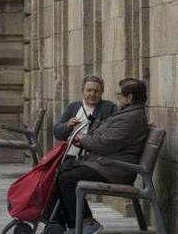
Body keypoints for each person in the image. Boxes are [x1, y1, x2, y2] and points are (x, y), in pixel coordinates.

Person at [55, 78, 150, 234]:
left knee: (66, 178)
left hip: (115, 169)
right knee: (61, 171)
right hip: (108, 164)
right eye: (88, 90)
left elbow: (105, 143)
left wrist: (84, 140)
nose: (117, 97)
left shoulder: (129, 117)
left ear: (130, 97)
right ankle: (69, 223)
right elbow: (100, 133)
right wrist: (84, 136)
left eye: (120, 94)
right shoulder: (127, 113)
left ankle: (86, 222)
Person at [53, 75, 117, 156]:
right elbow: (57, 133)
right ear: (83, 91)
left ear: (102, 92)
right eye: (89, 90)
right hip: (71, 155)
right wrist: (67, 125)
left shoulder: (110, 107)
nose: (92, 94)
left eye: (96, 91)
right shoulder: (73, 107)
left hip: (96, 157)